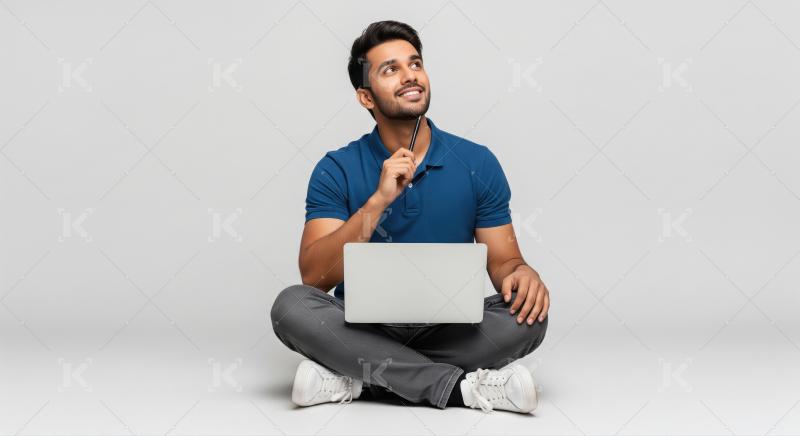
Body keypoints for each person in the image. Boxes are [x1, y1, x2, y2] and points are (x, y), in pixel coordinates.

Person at [270, 20, 550, 413]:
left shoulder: (477, 162)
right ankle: (460, 389)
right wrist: (379, 200)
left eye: (415, 63)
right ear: (366, 97)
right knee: (290, 307)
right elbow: (315, 278)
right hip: (362, 327)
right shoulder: (336, 168)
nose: (410, 76)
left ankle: (358, 377)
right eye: (391, 69)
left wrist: (521, 273)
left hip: (451, 329)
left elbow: (505, 262)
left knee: (529, 316)